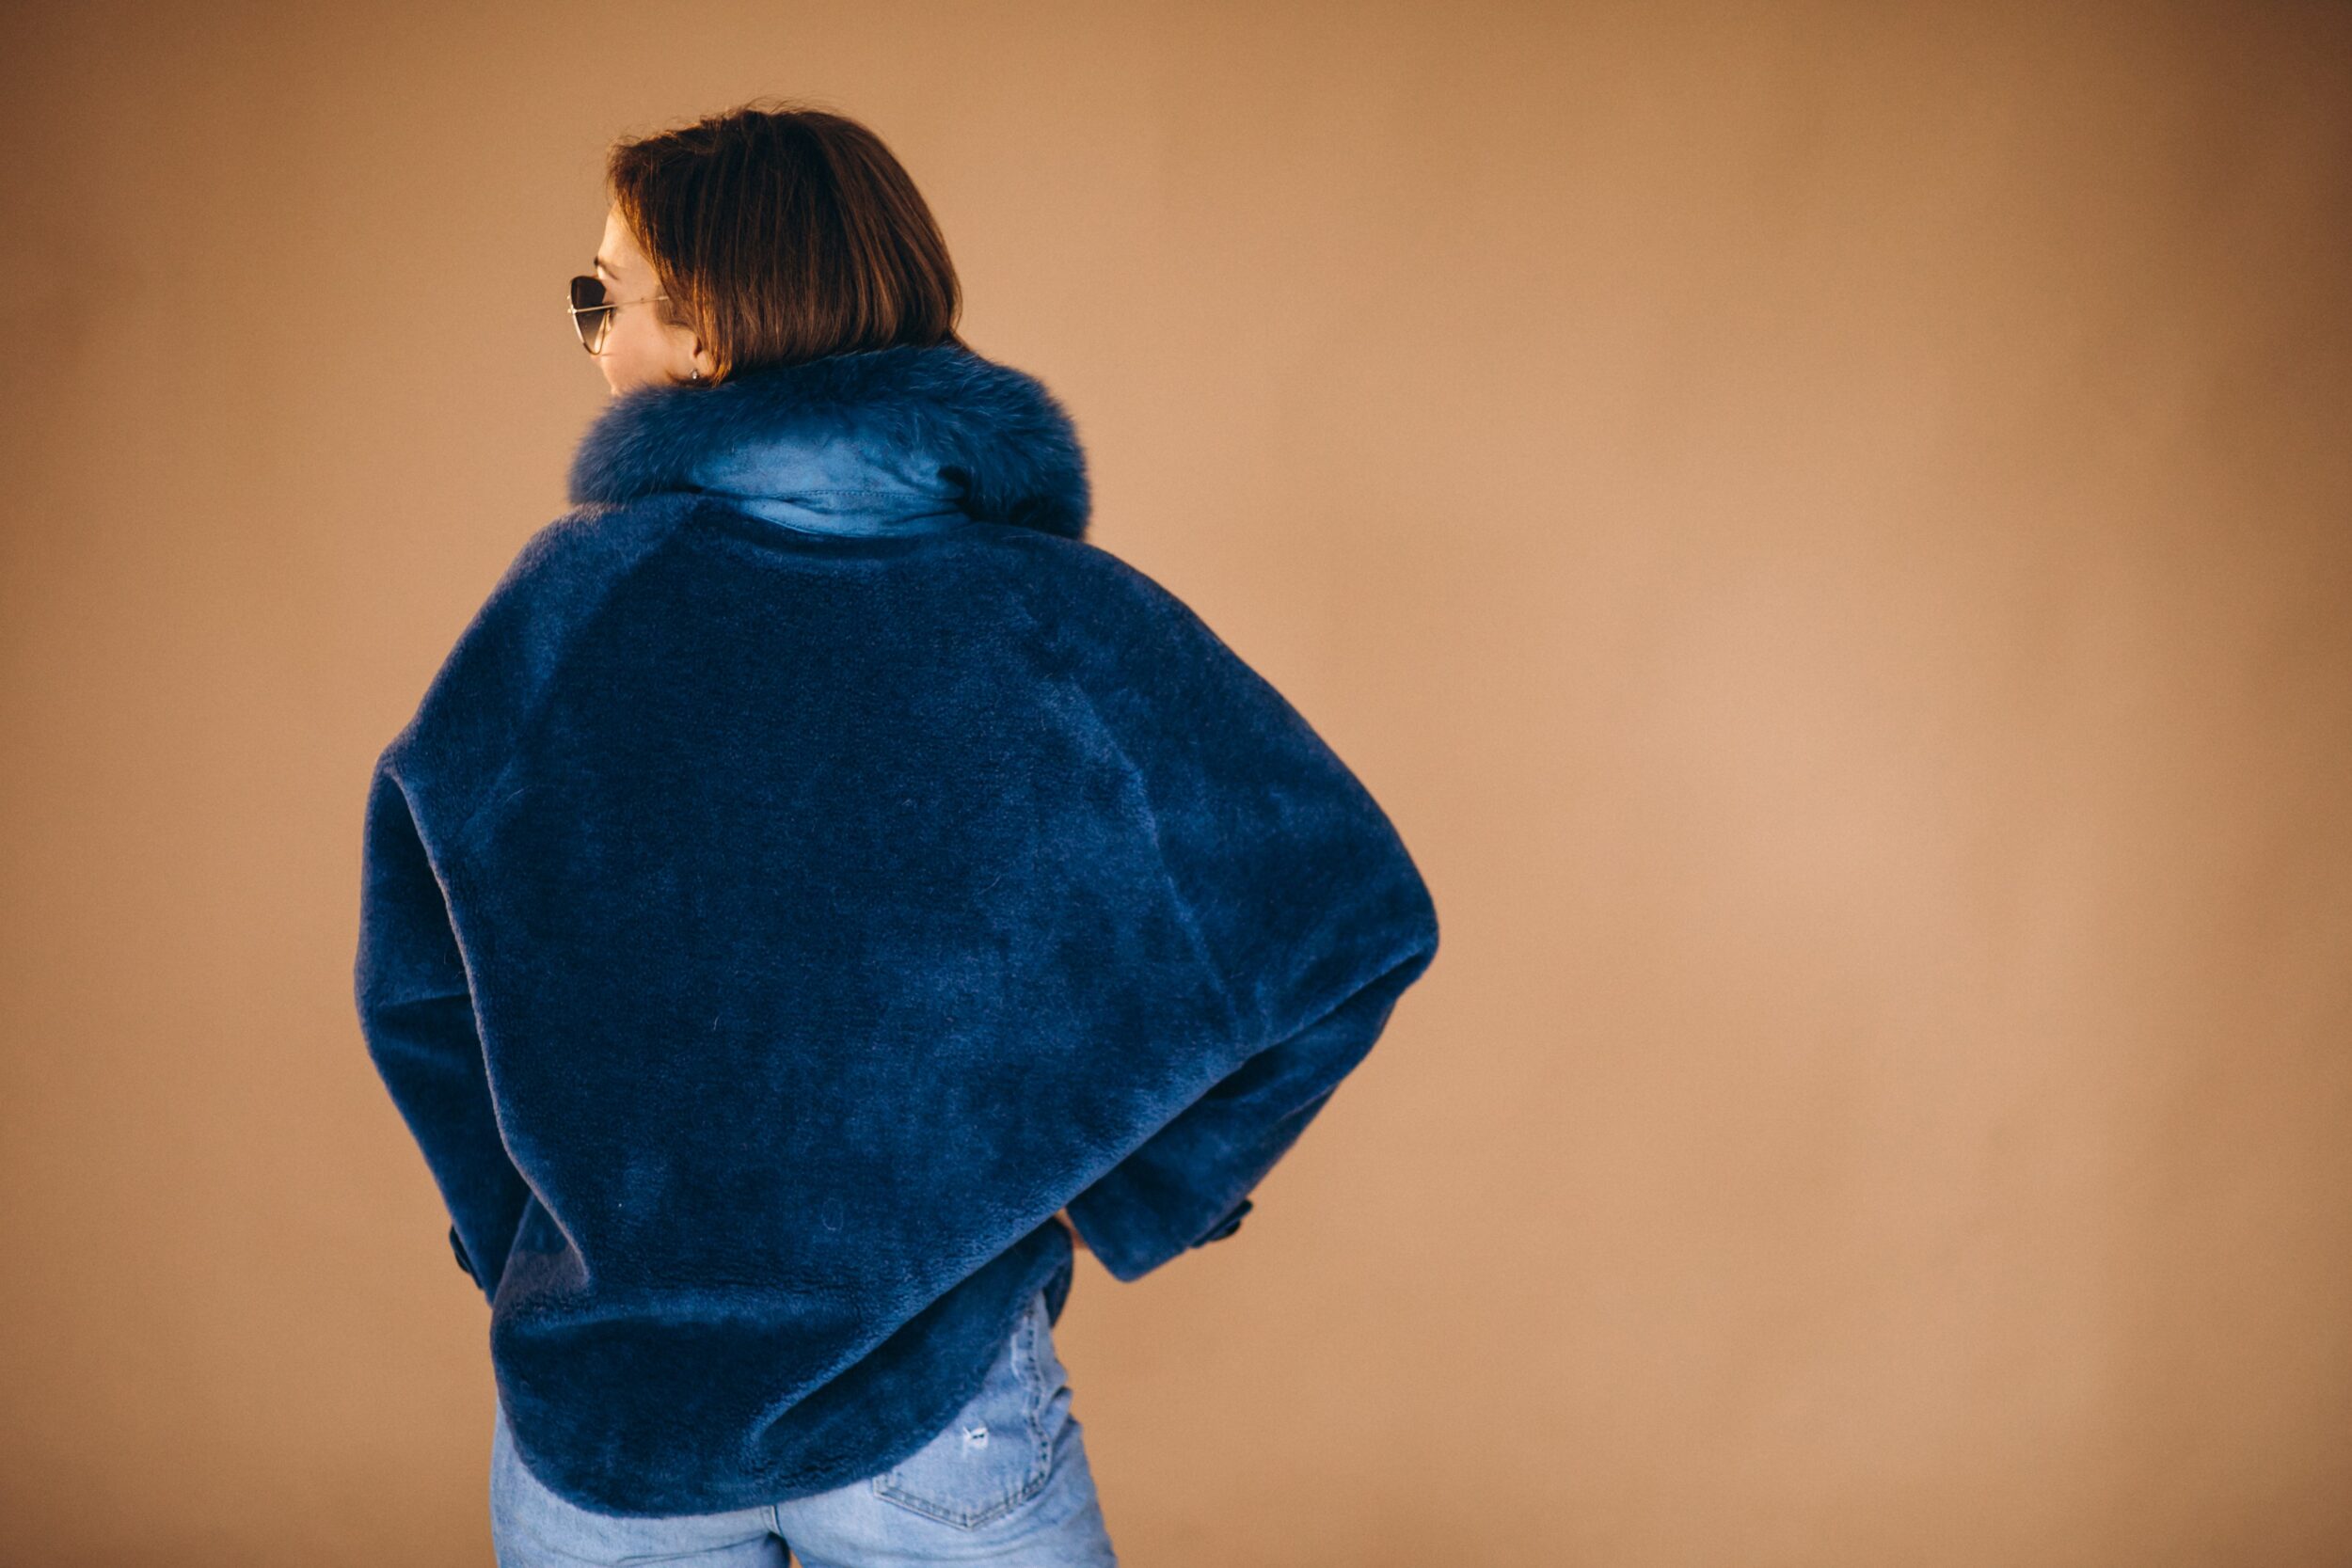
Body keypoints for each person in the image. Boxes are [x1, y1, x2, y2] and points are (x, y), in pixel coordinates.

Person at [353, 101, 1439, 1568]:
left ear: (713, 339)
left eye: (603, 294)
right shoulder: (1064, 618)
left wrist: (536, 1248)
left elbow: (422, 987)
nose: (593, 335)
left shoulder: (561, 613)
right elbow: (1349, 918)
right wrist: (1136, 1186)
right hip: (936, 1410)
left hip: (608, 1422)